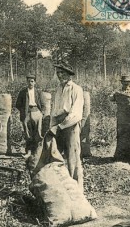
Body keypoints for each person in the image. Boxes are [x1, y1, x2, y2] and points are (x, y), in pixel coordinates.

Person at [47, 61, 84, 190]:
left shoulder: (76, 89)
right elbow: (54, 109)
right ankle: (62, 187)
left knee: (73, 157)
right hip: (58, 124)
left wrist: (61, 126)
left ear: (69, 75)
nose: (59, 75)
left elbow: (76, 113)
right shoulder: (58, 89)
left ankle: (77, 189)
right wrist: (52, 126)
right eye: (58, 73)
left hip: (70, 125)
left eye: (62, 73)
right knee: (56, 155)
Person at [15, 74, 43, 157]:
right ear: (26, 82)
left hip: (36, 112)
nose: (30, 83)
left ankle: (37, 151)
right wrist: (23, 111)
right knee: (27, 133)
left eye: (32, 81)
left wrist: (41, 112)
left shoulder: (38, 92)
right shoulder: (23, 92)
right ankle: (29, 151)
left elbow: (42, 103)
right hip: (27, 114)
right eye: (29, 81)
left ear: (35, 82)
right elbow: (17, 104)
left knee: (38, 132)